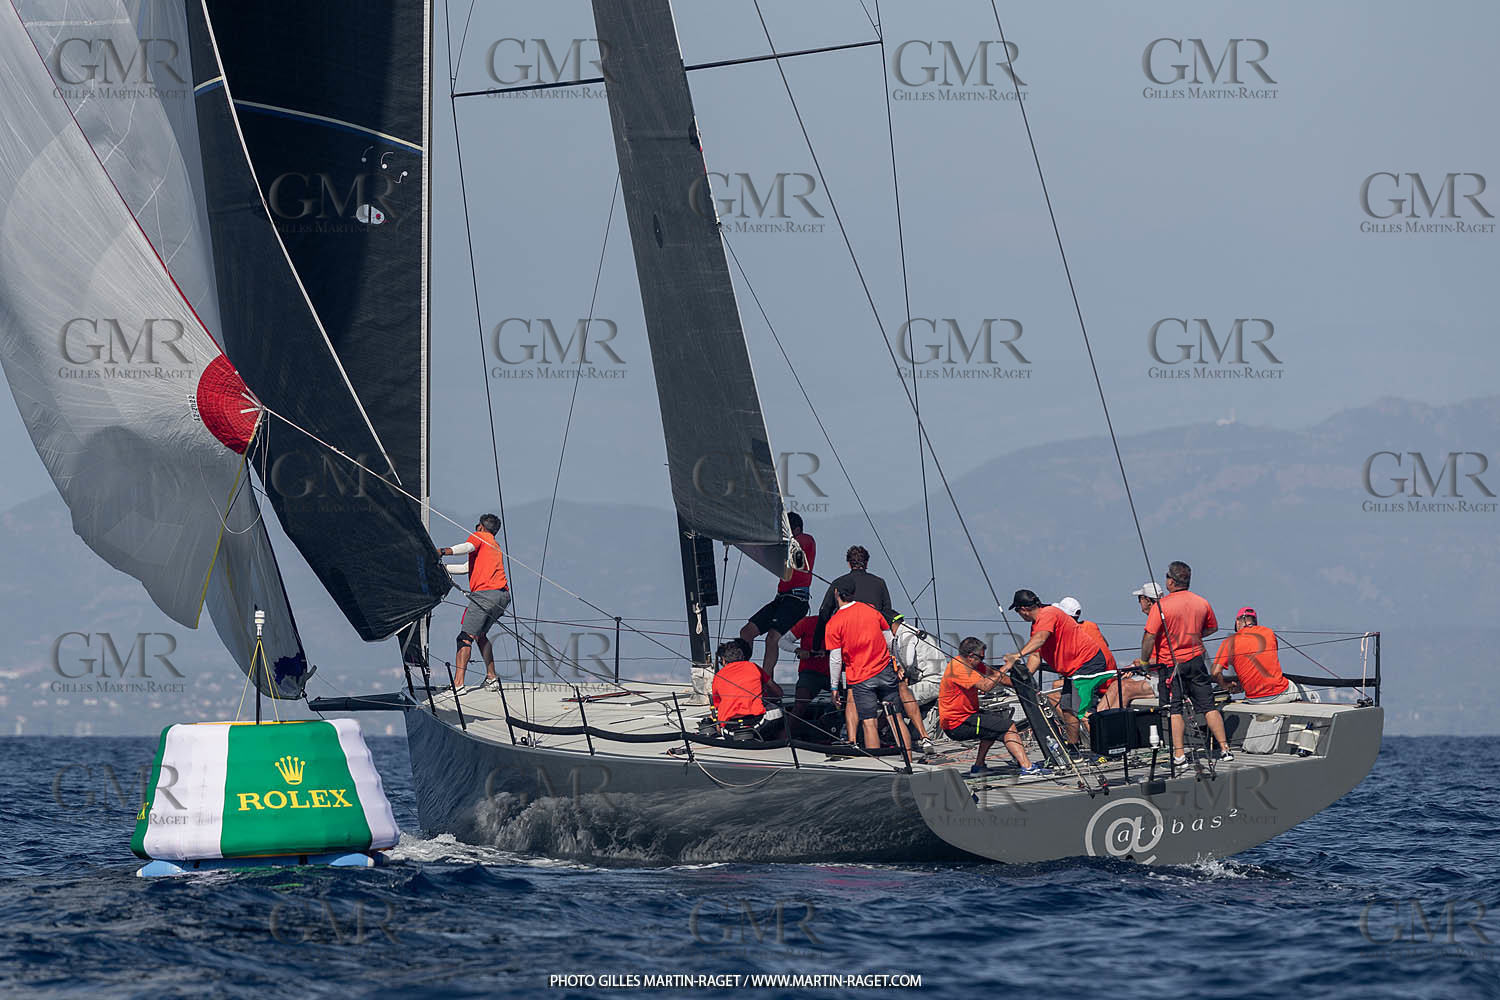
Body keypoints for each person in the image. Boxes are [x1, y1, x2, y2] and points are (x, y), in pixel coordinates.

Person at [1131, 561, 1231, 765]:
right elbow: (1213, 628)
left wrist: (1143, 661)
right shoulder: (1201, 602)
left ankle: (1179, 755)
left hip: (1171, 664)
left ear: (1171, 581)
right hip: (1196, 660)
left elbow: (1149, 637)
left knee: (1174, 709)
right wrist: (1194, 637)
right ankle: (1225, 749)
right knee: (1208, 706)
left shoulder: (1162, 606)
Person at [1002, 589, 1110, 748]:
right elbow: (1036, 655)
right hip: (1073, 669)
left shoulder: (1048, 614)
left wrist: (1017, 655)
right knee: (1067, 708)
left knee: (1082, 709)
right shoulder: (1037, 625)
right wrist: (1023, 678)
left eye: (1018, 611)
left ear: (1023, 610)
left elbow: (1040, 639)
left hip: (1087, 662)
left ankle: (1104, 748)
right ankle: (1073, 746)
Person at [939, 637, 1049, 777]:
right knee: (1008, 726)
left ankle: (979, 767)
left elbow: (1000, 678)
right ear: (971, 656)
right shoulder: (958, 668)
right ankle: (1027, 767)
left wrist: (1024, 686)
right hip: (957, 724)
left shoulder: (975, 665)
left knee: (993, 723)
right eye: (981, 658)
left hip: (968, 715)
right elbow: (986, 686)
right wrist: (1008, 665)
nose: (983, 661)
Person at [814, 545, 892, 741]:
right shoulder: (880, 583)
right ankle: (899, 743)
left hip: (852, 651)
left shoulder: (839, 583)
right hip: (878, 652)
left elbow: (824, 613)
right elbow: (887, 615)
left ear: (849, 563)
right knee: (890, 703)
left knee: (851, 695)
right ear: (867, 562)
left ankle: (851, 740)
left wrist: (817, 644)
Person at [825, 583, 906, 752]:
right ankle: (909, 761)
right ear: (853, 593)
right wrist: (896, 664)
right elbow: (890, 640)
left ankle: (877, 767)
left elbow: (835, 659)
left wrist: (834, 687)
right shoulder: (871, 610)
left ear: (836, 593)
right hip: (884, 670)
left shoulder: (834, 622)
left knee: (869, 723)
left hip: (861, 677)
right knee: (896, 718)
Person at [439, 514, 510, 695]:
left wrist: (442, 551)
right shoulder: (493, 545)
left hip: (485, 595)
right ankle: (492, 678)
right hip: (502, 596)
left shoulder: (480, 537)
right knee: (480, 635)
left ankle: (458, 685)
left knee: (464, 637)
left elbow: (467, 546)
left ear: (481, 527)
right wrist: (441, 567)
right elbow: (465, 568)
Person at [740, 513, 816, 676]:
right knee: (746, 632)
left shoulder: (806, 539)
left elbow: (794, 546)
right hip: (781, 598)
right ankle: (741, 673)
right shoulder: (783, 545)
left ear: (795, 529)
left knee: (772, 637)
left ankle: (767, 681)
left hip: (797, 599)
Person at [1212, 608, 1303, 704]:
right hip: (1280, 693)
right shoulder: (1269, 632)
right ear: (1254, 622)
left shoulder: (1229, 642)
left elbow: (1215, 672)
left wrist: (1225, 686)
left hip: (1253, 699)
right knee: (1306, 692)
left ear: (1237, 622)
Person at [710, 639, 785, 738]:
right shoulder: (754, 667)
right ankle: (783, 740)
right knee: (780, 710)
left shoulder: (718, 676)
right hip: (757, 724)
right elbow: (778, 692)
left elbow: (717, 706)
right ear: (743, 656)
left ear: (723, 660)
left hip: (730, 730)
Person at [891, 613, 947, 738]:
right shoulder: (912, 631)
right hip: (933, 679)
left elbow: (908, 662)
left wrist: (900, 669)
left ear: (892, 625)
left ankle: (920, 737)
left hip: (934, 682)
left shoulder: (906, 635)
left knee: (893, 701)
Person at [780, 615, 830, 724]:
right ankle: (785, 737)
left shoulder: (846, 624)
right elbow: (783, 641)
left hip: (836, 673)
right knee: (800, 704)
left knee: (850, 701)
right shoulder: (808, 622)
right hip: (810, 672)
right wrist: (798, 650)